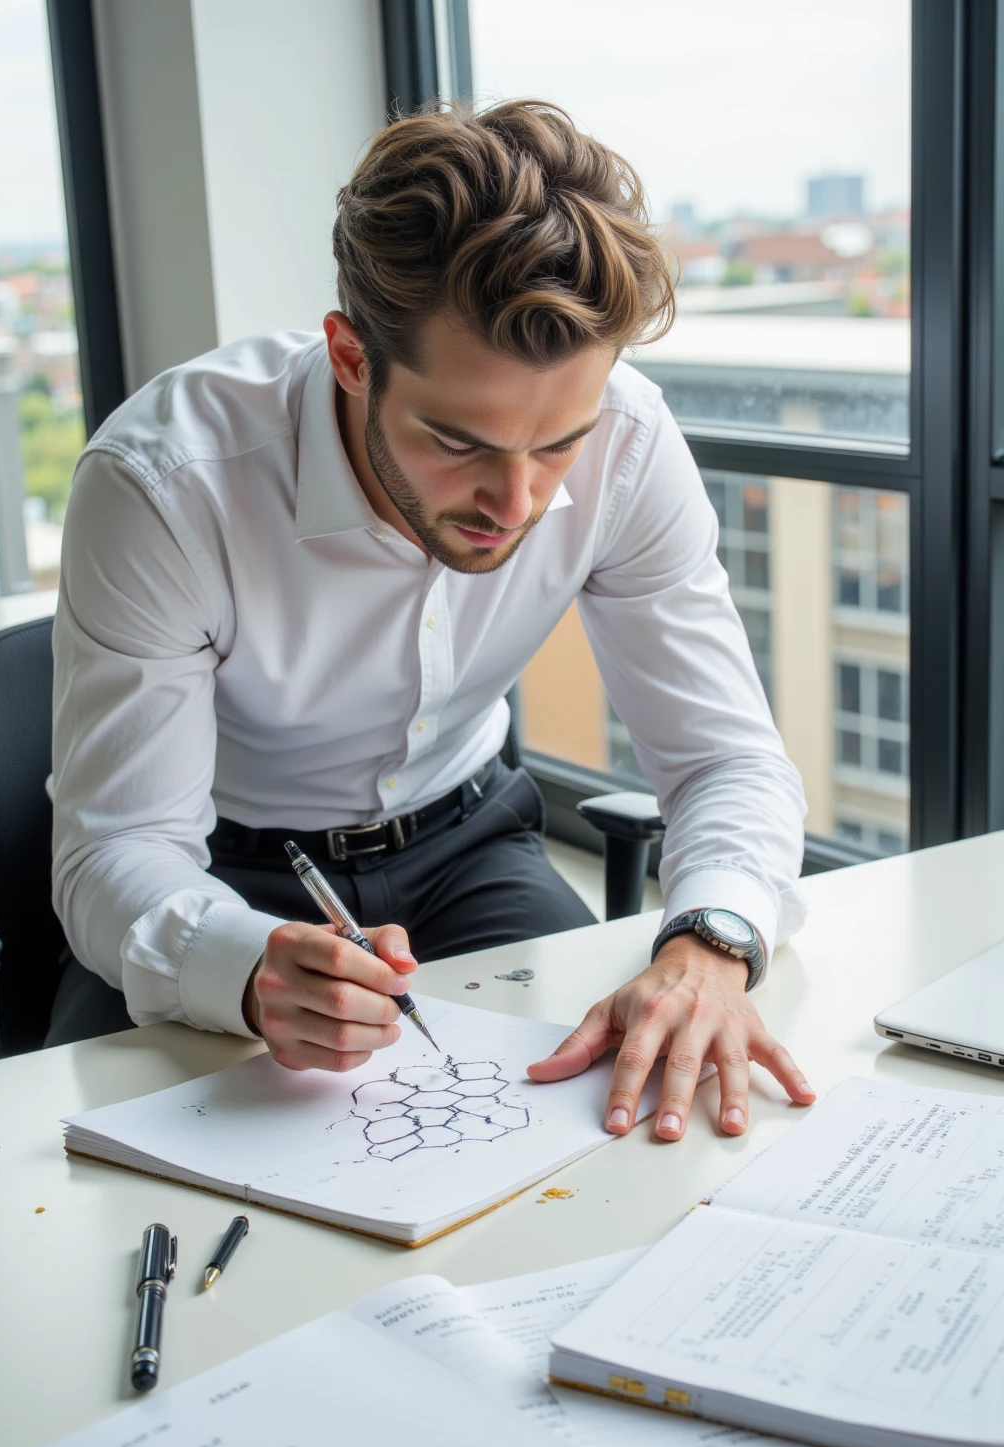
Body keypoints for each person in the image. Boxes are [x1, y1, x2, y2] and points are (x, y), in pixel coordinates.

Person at [47, 99, 814, 1142]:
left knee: (604, 1126)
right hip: (218, 872)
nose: (519, 502)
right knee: (109, 1175)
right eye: (461, 442)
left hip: (470, 843)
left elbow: (729, 758)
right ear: (351, 358)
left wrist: (708, 944)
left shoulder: (629, 439)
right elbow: (120, 846)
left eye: (558, 446)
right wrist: (243, 966)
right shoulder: (164, 485)